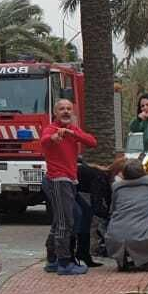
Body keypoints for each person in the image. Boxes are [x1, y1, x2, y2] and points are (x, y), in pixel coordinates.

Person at [39, 99, 96, 276]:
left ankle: (52, 258)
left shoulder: (73, 130)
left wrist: (72, 133)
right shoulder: (51, 129)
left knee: (71, 216)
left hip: (70, 180)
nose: (65, 112)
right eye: (62, 109)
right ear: (55, 113)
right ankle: (63, 262)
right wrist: (55, 137)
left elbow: (92, 142)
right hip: (58, 180)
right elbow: (45, 140)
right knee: (65, 221)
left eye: (69, 109)